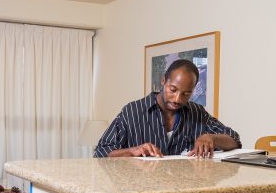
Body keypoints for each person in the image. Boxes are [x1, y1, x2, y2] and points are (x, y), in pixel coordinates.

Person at [94, 59, 241, 158]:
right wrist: (133, 151)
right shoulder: (132, 111)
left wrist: (212, 138)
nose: (177, 99)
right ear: (163, 81)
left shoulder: (198, 113)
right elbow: (101, 152)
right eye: (173, 90)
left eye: (186, 93)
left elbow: (234, 139)